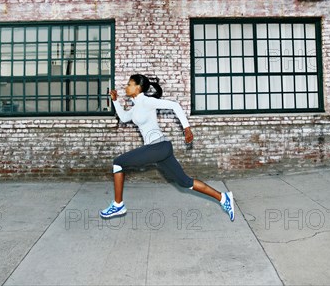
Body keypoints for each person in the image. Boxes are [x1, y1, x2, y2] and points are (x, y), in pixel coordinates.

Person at [100, 74, 235, 221]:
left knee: (118, 163)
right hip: (162, 149)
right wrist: (114, 101)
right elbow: (125, 118)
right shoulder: (137, 106)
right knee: (185, 182)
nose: (126, 86)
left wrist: (187, 128)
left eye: (129, 84)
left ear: (138, 87)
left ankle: (118, 204)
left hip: (158, 147)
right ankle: (223, 198)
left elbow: (175, 106)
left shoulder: (147, 102)